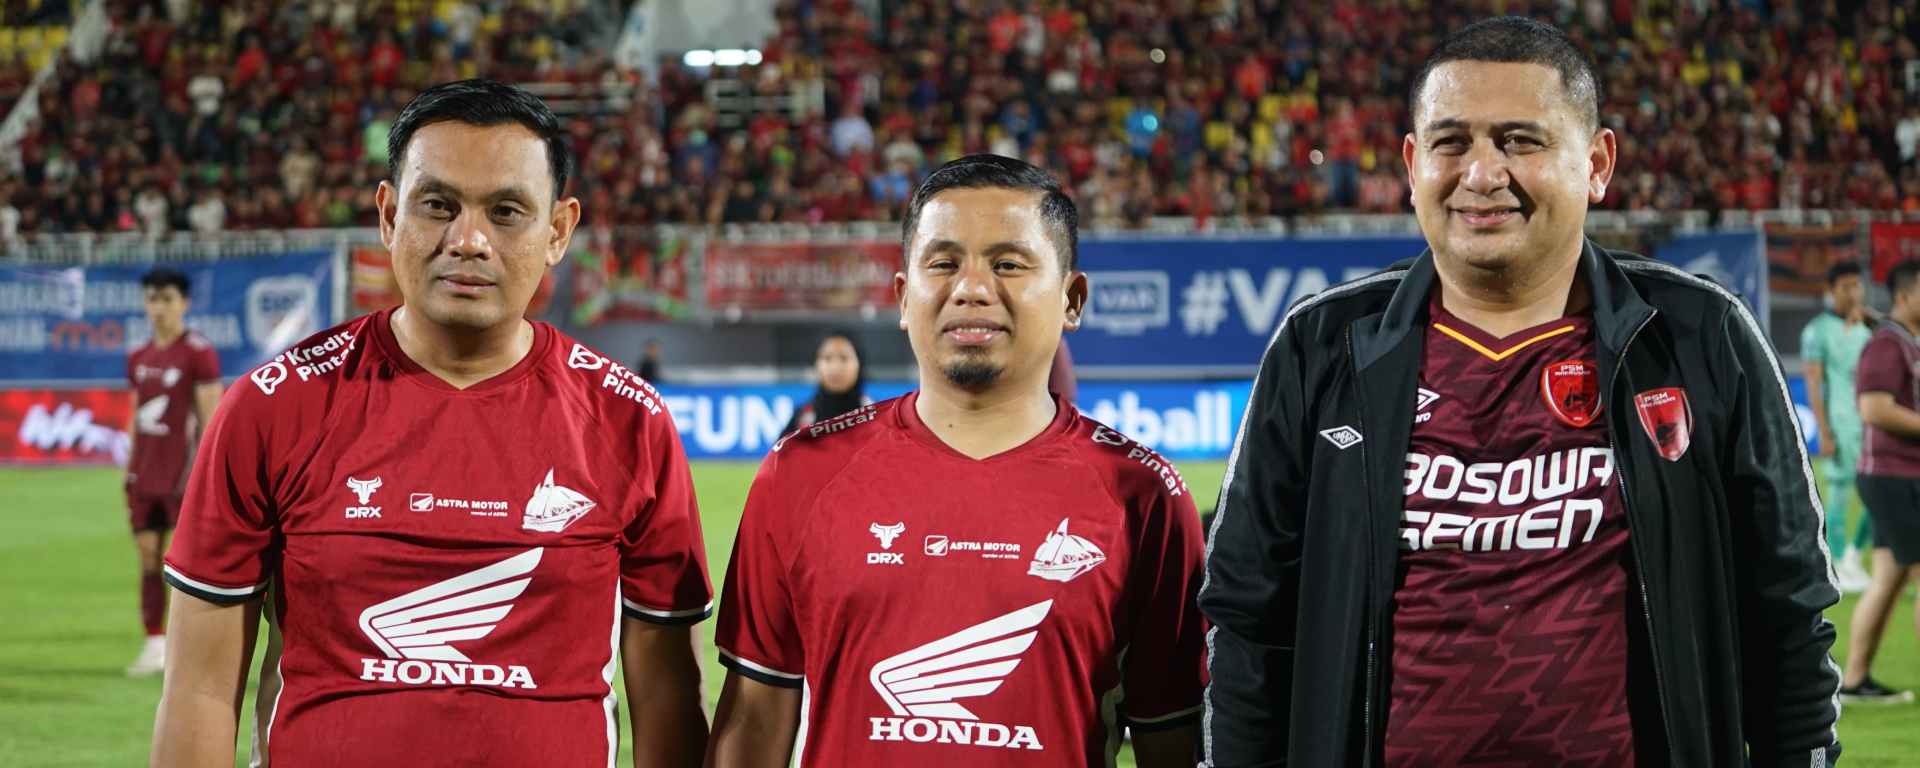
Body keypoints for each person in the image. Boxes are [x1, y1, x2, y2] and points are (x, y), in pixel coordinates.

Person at [1200, 17, 1841, 767]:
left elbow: (1788, 609)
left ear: (1597, 163)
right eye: (1451, 142)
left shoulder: (1701, 337)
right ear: (1412, 163)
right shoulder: (1321, 346)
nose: (1481, 173)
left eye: (1520, 141)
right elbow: (1248, 617)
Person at [151, 80, 713, 766]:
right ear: (390, 216)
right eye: (438, 205)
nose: (467, 240)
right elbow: (200, 689)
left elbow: (670, 701)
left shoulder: (629, 422)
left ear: (558, 231)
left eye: (506, 212)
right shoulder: (272, 406)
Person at [706, 154, 1206, 767]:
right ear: (902, 297)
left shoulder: (1145, 496)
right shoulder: (801, 473)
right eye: (943, 264)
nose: (971, 289)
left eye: (1008, 264)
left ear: (1072, 299)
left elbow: (1172, 739)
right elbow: (753, 720)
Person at [122, 267, 223, 676]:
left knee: (187, 567)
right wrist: (129, 466)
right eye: (152, 299)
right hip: (144, 476)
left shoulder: (198, 353)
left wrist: (209, 477)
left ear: (184, 303)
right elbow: (135, 414)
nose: (158, 307)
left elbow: (211, 418)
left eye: (166, 299)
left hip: (183, 478)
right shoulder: (138, 356)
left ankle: (193, 650)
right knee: (148, 557)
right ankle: (153, 643)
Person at [1841, 258, 1920, 704]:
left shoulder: (1902, 340)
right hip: (1896, 476)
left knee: (1888, 579)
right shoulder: (1888, 345)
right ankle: (1853, 678)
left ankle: (1854, 681)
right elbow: (1874, 409)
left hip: (1895, 476)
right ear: (1905, 296)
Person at [1801, 261, 1876, 592]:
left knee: (1879, 493)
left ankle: (1854, 556)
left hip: (1872, 423)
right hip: (1840, 423)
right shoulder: (1817, 331)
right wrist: (1824, 429)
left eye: (1857, 285)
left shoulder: (1869, 328)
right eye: (1845, 287)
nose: (1853, 293)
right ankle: (1836, 563)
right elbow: (1813, 381)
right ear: (1830, 291)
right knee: (1841, 493)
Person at [781, 329, 870, 435]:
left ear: (859, 363)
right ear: (816, 364)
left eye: (844, 358)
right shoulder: (801, 419)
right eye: (827, 358)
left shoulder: (877, 415)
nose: (835, 367)